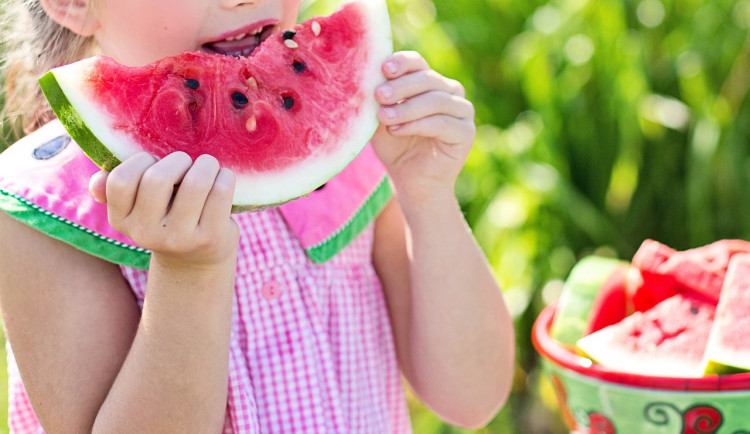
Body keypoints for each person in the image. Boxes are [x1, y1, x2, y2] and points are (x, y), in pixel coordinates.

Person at [0, 0, 515, 432]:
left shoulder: (353, 142)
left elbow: (472, 397)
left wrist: (428, 196)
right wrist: (189, 274)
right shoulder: (44, 213)